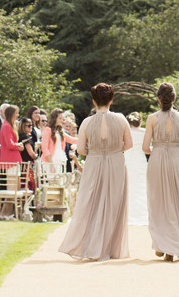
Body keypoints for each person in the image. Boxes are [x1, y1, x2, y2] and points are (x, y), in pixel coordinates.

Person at [59, 83, 132, 260]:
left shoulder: (87, 122)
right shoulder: (121, 119)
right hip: (116, 162)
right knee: (114, 204)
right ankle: (111, 247)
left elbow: (82, 149)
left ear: (93, 101)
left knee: (91, 202)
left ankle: (92, 244)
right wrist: (114, 149)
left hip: (94, 162)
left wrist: (97, 151)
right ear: (111, 100)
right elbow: (129, 144)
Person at [143, 82, 179, 261]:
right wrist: (175, 150)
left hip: (157, 160)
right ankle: (172, 246)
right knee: (177, 201)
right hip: (176, 159)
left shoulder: (152, 118)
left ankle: (163, 243)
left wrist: (159, 151)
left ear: (158, 99)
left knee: (158, 202)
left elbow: (145, 147)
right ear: (174, 98)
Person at [0, 105, 24, 220]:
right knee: (12, 188)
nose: (18, 115)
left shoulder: (9, 125)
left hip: (14, 160)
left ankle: (7, 213)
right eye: (16, 113)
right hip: (10, 161)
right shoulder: (6, 126)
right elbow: (9, 144)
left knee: (14, 188)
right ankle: (5, 214)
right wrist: (18, 145)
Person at [124, 112, 148, 226]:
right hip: (140, 160)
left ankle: (127, 213)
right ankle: (142, 212)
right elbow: (147, 147)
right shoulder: (145, 132)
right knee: (141, 187)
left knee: (128, 186)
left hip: (128, 158)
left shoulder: (126, 132)